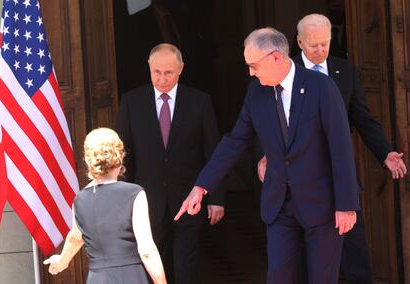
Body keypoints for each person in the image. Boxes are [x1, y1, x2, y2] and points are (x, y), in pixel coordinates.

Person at [175, 26, 361, 283]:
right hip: (279, 204)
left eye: (253, 65)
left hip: (322, 205)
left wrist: (347, 205)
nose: (250, 72)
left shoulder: (321, 87)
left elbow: (340, 147)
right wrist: (201, 186)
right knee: (279, 276)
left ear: (275, 57)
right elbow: (235, 141)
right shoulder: (256, 92)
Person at [258, 13, 407, 284]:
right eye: (313, 45)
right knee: (303, 261)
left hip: (340, 179)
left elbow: (362, 117)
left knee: (355, 252)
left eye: (325, 43)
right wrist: (267, 155)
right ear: (299, 42)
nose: (320, 50)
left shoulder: (344, 70)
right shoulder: (283, 72)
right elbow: (266, 119)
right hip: (299, 185)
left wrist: (385, 152)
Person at [114, 43, 224, 284]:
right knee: (153, 266)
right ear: (149, 68)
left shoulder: (200, 102)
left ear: (181, 69)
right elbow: (122, 156)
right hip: (147, 201)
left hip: (189, 199)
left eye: (169, 72)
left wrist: (215, 198)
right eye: (157, 72)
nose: (162, 79)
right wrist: (123, 200)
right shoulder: (132, 102)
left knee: (186, 266)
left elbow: (213, 153)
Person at [43, 128, 166, 284]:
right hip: (131, 277)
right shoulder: (134, 194)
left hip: (98, 279)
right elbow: (147, 250)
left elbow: (75, 238)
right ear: (120, 157)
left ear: (88, 160)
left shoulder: (79, 200)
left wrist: (62, 261)